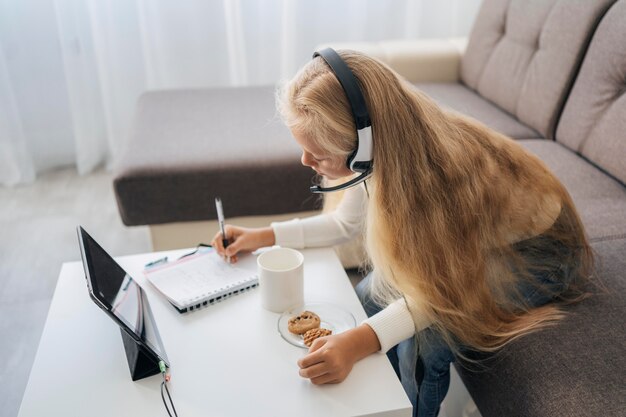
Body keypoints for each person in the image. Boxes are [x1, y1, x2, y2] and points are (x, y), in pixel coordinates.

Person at [211, 49, 594, 417]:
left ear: (362, 144)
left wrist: (359, 341)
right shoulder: (387, 150)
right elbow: (345, 224)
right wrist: (264, 236)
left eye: (319, 154)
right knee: (367, 294)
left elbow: (439, 295)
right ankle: (383, 395)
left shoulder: (440, 183)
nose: (305, 161)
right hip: (476, 245)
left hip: (542, 253)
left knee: (430, 340)